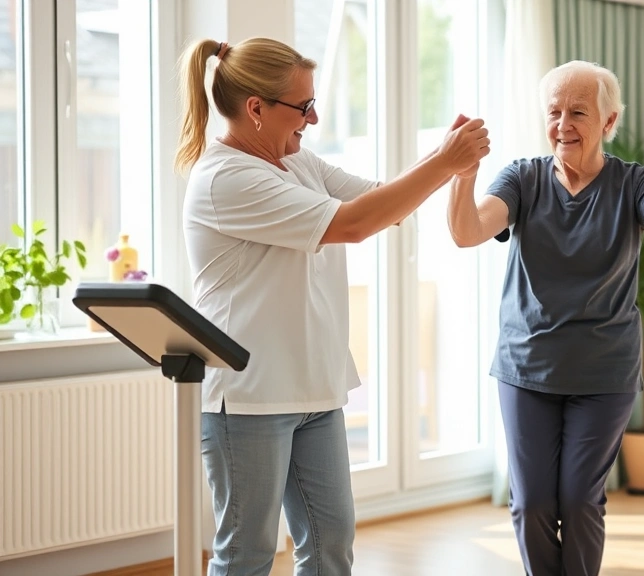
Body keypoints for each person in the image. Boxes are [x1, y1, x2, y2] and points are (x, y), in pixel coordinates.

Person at [174, 37, 489, 576]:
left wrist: (446, 160)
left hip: (314, 388)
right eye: (302, 106)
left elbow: (383, 203)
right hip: (250, 399)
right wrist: (442, 163)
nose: (313, 118)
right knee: (247, 554)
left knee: (330, 545)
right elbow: (353, 225)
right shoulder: (226, 179)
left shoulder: (296, 164)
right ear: (256, 109)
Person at [447, 60, 644, 576]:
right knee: (531, 504)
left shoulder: (634, 184)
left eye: (578, 112)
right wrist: (462, 176)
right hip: (527, 368)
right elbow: (467, 231)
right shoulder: (522, 179)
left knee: (578, 503)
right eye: (553, 112)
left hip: (603, 373)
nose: (563, 125)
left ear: (609, 121)